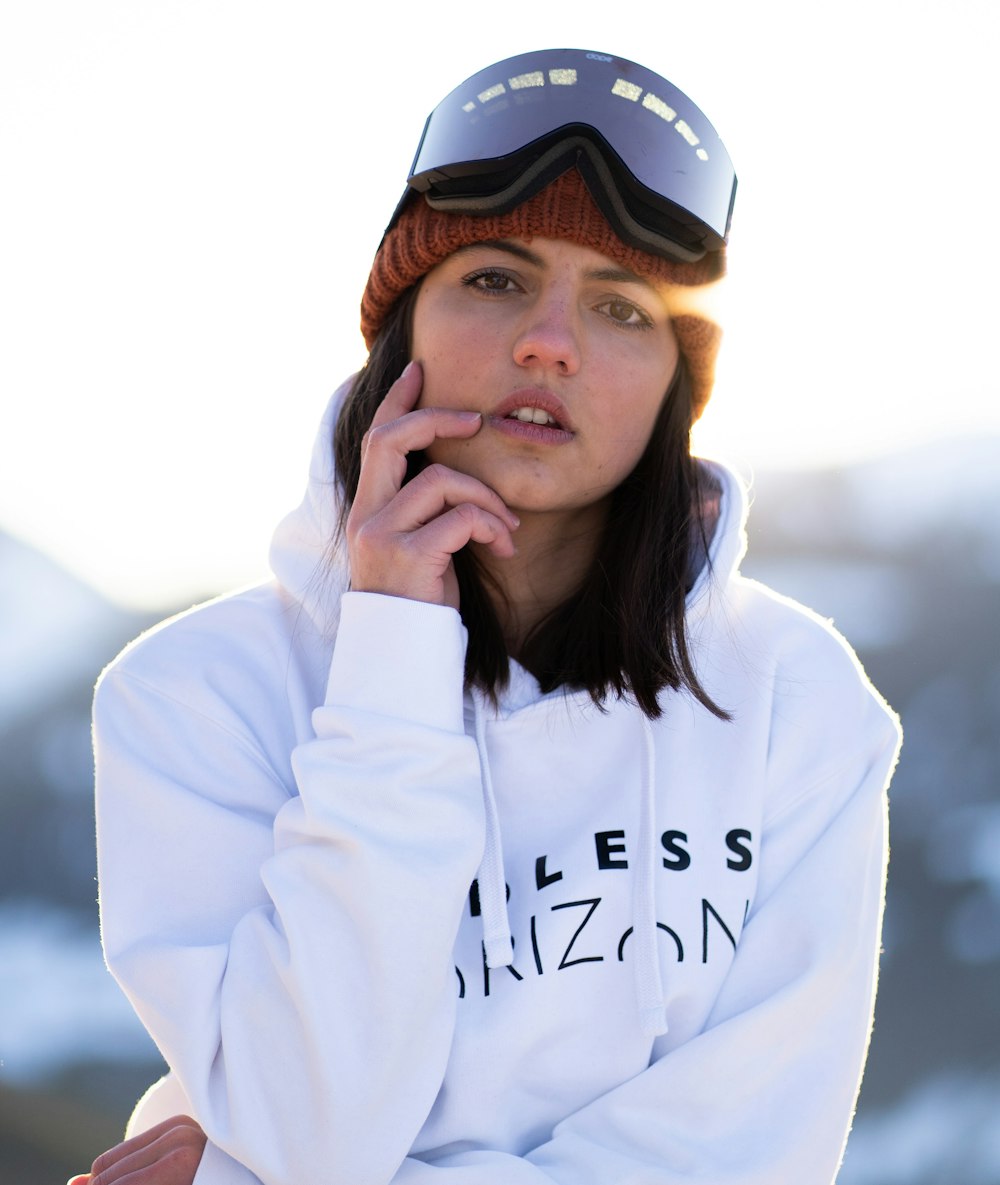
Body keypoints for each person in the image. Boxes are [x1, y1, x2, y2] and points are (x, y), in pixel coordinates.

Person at [76, 48, 900, 1185]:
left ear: (675, 384)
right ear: (402, 327)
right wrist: (390, 661)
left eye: (619, 306)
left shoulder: (794, 701)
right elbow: (310, 1126)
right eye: (497, 280)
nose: (549, 342)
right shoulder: (193, 696)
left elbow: (741, 1160)